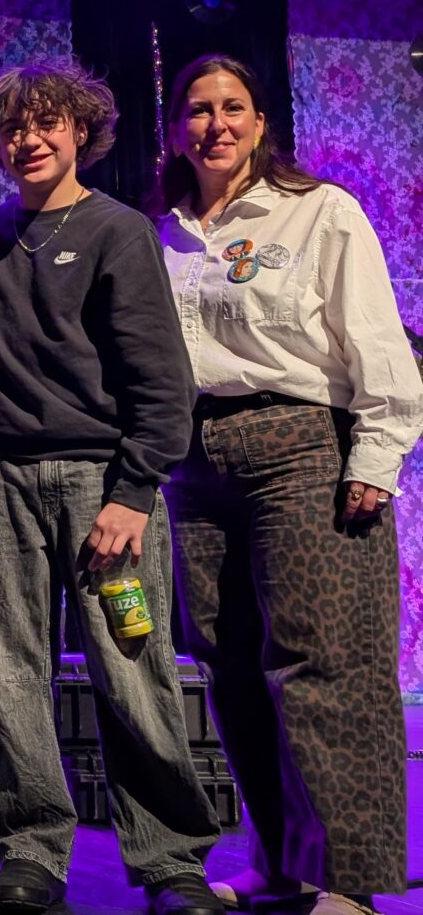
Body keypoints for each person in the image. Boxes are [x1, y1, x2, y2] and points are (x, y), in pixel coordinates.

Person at [154, 54, 423, 915]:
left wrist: (374, 459)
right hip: (196, 459)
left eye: (233, 107)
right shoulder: (164, 234)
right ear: (176, 129)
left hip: (301, 448)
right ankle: (281, 865)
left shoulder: (319, 211)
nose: (216, 124)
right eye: (199, 110)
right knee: (229, 663)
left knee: (322, 665)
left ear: (261, 122)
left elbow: (376, 342)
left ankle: (346, 879)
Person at [0, 59, 222, 915]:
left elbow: (162, 378)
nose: (28, 140)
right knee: (9, 672)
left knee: (132, 664)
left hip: (102, 483)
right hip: (0, 482)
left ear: (80, 131)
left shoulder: (118, 231)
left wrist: (133, 492)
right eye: (12, 128)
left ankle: (172, 860)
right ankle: (30, 850)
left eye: (46, 124)